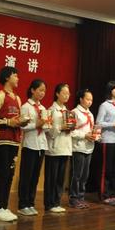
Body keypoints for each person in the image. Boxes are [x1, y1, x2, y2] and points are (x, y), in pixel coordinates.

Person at [0, 66, 26, 222]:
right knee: (2, 174)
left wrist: (21, 122)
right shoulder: (0, 96)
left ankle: (4, 207)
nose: (18, 78)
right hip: (2, 141)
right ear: (6, 78)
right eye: (15, 75)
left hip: (14, 141)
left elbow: (17, 118)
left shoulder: (17, 98)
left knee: (10, 175)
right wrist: (7, 122)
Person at [17, 79, 48, 216]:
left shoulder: (43, 109)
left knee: (35, 176)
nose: (42, 93)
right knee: (26, 176)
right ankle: (22, 204)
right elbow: (22, 127)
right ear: (32, 90)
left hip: (41, 145)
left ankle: (30, 203)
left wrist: (47, 124)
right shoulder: (26, 107)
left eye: (44, 91)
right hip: (30, 145)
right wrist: (37, 124)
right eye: (40, 90)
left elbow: (46, 128)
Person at [44, 83, 73, 213]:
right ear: (57, 94)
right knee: (52, 177)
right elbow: (48, 130)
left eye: (68, 93)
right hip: (54, 148)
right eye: (64, 93)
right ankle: (49, 204)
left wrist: (71, 127)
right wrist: (61, 127)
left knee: (60, 178)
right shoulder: (51, 110)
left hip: (65, 147)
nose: (67, 96)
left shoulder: (68, 112)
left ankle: (57, 202)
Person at [96, 81, 115, 205]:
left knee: (113, 169)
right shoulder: (104, 105)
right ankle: (104, 195)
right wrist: (114, 124)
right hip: (108, 140)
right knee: (106, 169)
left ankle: (111, 194)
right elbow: (98, 123)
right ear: (110, 90)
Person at [69, 88, 96, 209]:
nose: (90, 102)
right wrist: (84, 135)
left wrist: (95, 136)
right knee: (77, 175)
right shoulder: (74, 112)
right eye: (87, 99)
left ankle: (81, 197)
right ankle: (73, 198)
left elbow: (91, 130)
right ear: (81, 99)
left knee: (85, 175)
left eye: (91, 100)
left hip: (89, 147)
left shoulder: (90, 114)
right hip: (78, 147)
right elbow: (71, 132)